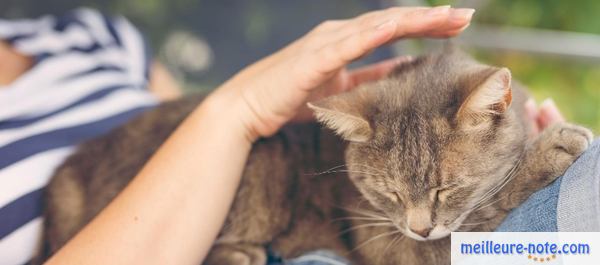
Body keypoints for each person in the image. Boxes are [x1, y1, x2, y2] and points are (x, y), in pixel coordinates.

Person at [0, 5, 596, 265]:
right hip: (297, 247)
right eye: (399, 202)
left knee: (579, 233)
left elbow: (176, 126)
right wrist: (241, 107)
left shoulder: (90, 35)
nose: (415, 218)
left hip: (469, 250)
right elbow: (413, 246)